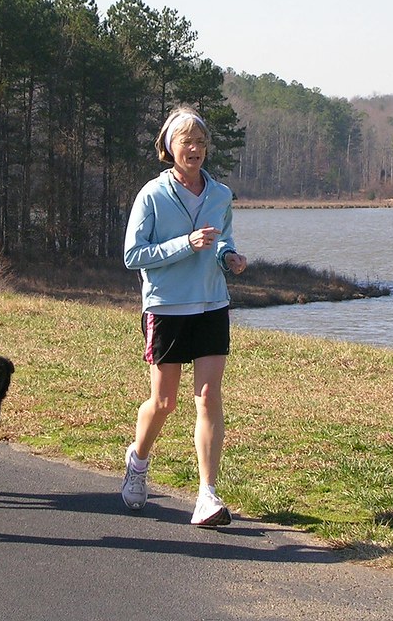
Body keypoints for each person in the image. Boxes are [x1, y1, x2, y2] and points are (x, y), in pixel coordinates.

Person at [122, 107, 248, 527]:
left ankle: (207, 496)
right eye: (186, 142)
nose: (194, 149)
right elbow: (133, 256)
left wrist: (229, 256)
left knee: (209, 396)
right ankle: (138, 463)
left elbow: (222, 239)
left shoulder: (220, 193)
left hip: (212, 303)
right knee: (164, 402)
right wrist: (184, 244)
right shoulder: (152, 196)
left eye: (200, 142)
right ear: (169, 147)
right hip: (167, 307)